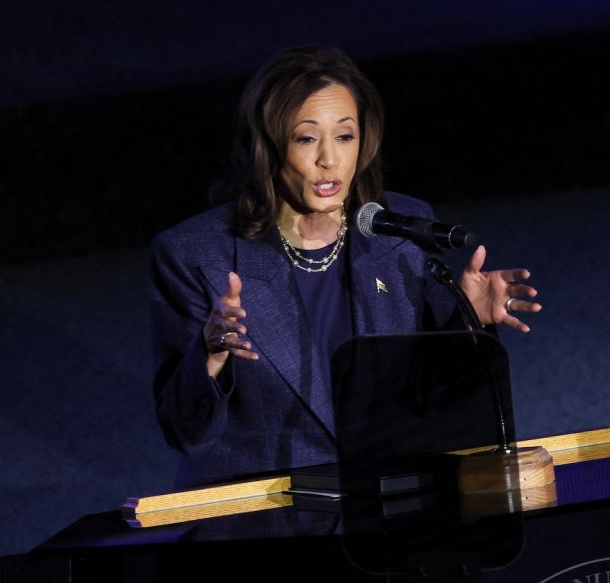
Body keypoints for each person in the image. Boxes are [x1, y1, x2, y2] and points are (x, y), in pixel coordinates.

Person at [150, 45, 540, 488]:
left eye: (344, 136)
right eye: (306, 138)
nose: (329, 160)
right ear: (267, 148)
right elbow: (183, 430)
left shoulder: (400, 231)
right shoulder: (194, 254)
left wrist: (465, 321)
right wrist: (211, 353)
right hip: (270, 519)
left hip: (389, 506)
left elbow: (437, 399)